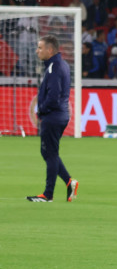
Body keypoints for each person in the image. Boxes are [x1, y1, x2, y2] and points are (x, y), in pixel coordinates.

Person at [27, 36, 78, 202]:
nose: (37, 50)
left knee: (50, 153)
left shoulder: (54, 68)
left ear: (50, 50)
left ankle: (48, 194)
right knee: (48, 152)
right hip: (60, 115)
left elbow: (54, 96)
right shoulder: (60, 64)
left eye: (40, 47)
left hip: (53, 116)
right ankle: (69, 182)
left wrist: (41, 109)